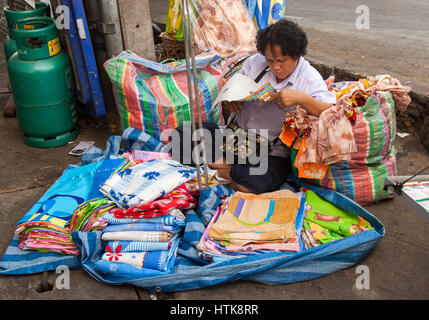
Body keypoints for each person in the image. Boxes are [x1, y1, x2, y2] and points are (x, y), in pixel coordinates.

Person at [208, 19, 336, 194]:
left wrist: (302, 99)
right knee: (184, 137)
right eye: (270, 60)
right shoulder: (254, 63)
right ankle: (229, 168)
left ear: (296, 55)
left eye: (281, 61)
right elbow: (235, 86)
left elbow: (330, 112)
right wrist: (232, 99)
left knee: (256, 180)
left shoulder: (308, 77)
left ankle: (224, 171)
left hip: (271, 150)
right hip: (236, 137)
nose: (275, 66)